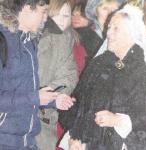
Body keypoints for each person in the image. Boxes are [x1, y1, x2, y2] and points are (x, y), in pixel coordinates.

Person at [60, 4, 146, 150]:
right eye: (109, 27)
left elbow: (145, 118)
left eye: (116, 29)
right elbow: (77, 101)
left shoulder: (142, 70)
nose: (108, 33)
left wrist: (117, 120)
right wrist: (74, 136)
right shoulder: (98, 63)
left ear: (132, 34)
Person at [0, 0, 55, 149]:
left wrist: (52, 100)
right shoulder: (2, 40)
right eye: (43, 11)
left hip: (27, 140)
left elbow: (22, 91)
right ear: (26, 8)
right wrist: (35, 97)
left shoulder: (28, 41)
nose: (46, 18)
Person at [36, 0, 78, 150]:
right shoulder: (27, 34)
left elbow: (69, 76)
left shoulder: (65, 39)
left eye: (66, 15)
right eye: (57, 15)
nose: (61, 20)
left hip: (43, 116)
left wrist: (49, 95)